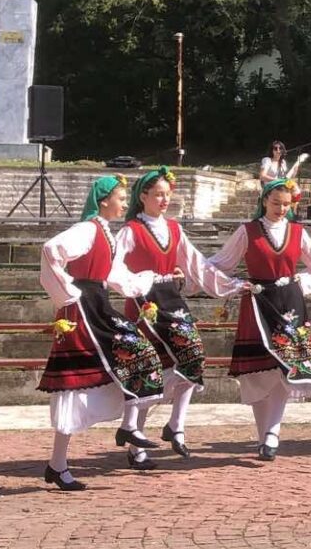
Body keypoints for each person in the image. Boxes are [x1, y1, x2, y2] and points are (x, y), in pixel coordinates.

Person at [205, 179, 311, 462]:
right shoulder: (248, 231)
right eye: (276, 203)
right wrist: (196, 272)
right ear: (265, 200)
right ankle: (262, 433)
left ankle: (272, 434)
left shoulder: (298, 232)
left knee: (284, 370)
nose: (280, 209)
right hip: (258, 303)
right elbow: (220, 262)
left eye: (286, 204)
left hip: (289, 303)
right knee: (258, 372)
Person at [38, 176, 165, 491]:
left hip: (99, 304)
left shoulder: (106, 234)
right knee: (74, 387)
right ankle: (59, 464)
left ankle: (127, 428)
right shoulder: (87, 229)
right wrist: (68, 292)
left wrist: (152, 279)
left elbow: (115, 274)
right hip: (82, 309)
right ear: (104, 200)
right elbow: (51, 249)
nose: (125, 204)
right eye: (121, 198)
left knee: (141, 353)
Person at [114, 167, 230, 465]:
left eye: (167, 194)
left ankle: (176, 425)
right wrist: (138, 281)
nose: (164, 200)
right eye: (158, 195)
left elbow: (197, 264)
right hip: (144, 304)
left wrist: (230, 285)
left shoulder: (175, 229)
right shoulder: (131, 230)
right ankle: (135, 445)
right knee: (146, 370)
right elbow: (114, 266)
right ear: (143, 197)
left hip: (171, 300)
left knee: (193, 356)